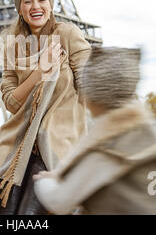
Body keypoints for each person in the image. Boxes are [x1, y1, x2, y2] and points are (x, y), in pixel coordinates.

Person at [0, 0, 91, 215]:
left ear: (50, 4)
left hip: (57, 143)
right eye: (27, 1)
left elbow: (92, 88)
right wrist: (40, 70)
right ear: (19, 8)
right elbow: (11, 103)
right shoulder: (12, 46)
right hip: (17, 147)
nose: (35, 7)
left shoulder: (67, 34)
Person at [33, 46, 156, 215]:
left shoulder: (107, 150)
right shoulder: (147, 132)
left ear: (94, 96)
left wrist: (45, 182)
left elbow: (59, 200)